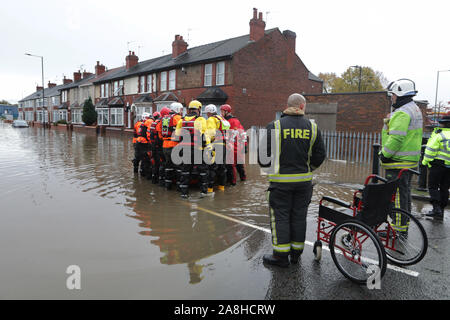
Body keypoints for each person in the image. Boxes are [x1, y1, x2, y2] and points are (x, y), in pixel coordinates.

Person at [258, 93, 326, 267]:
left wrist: (272, 172)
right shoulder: (313, 127)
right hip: (304, 184)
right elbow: (320, 155)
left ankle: (280, 257)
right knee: (298, 217)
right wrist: (308, 169)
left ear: (287, 106)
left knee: (280, 217)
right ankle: (296, 255)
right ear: (302, 107)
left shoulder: (274, 126)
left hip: (280, 184)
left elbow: (263, 157)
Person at [379, 79, 423, 235]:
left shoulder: (402, 113)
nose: (392, 97)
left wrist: (384, 154)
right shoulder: (414, 109)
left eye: (393, 95)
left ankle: (397, 229)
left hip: (398, 162)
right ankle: (403, 226)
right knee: (404, 194)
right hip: (409, 161)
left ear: (400, 94)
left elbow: (396, 138)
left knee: (396, 194)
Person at [175, 100, 210, 198]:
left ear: (189, 109)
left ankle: (184, 193)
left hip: (185, 149)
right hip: (197, 149)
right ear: (198, 109)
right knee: (202, 171)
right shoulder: (201, 120)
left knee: (185, 171)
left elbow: (177, 135)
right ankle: (203, 192)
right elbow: (205, 134)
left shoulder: (181, 120)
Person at [422, 115, 450, 219]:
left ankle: (436, 208)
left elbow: (430, 150)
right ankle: (441, 210)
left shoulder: (439, 135)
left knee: (433, 186)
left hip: (438, 164)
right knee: (445, 188)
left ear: (444, 124)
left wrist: (426, 162)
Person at [205, 104, 230, 192]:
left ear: (209, 112)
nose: (207, 115)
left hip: (215, 145)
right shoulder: (221, 119)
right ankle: (221, 187)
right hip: (223, 145)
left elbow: (210, 134)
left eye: (207, 113)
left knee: (212, 168)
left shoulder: (211, 119)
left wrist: (208, 145)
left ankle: (210, 189)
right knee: (222, 168)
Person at [220, 104, 247, 185]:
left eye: (222, 111)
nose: (221, 113)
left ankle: (233, 182)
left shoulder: (233, 121)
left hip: (234, 146)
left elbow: (238, 133)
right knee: (239, 164)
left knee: (232, 165)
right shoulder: (226, 120)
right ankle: (242, 179)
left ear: (226, 112)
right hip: (235, 145)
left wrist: (244, 145)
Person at [155, 107, 173, 187]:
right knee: (168, 165)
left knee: (164, 164)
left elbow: (160, 135)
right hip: (168, 145)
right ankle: (167, 183)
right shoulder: (165, 121)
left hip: (163, 145)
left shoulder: (160, 122)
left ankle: (163, 182)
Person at [135, 112, 152, 178]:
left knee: (139, 158)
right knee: (146, 159)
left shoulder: (139, 123)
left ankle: (138, 172)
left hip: (137, 142)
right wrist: (151, 142)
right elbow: (148, 134)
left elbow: (136, 132)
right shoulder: (148, 122)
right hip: (144, 143)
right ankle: (146, 175)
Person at [148, 111, 162, 184]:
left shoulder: (153, 123)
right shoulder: (159, 123)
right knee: (159, 163)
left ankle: (154, 179)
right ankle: (159, 180)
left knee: (154, 163)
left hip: (152, 145)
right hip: (157, 146)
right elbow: (160, 136)